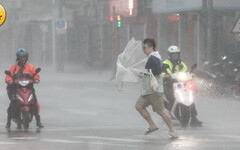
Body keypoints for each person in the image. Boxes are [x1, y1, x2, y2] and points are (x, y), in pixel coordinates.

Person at [135, 38, 178, 138]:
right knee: (139, 106)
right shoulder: (151, 57)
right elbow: (151, 71)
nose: (143, 50)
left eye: (145, 48)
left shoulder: (154, 58)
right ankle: (152, 125)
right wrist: (144, 73)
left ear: (151, 47)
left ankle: (173, 130)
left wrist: (146, 72)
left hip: (154, 91)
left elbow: (157, 71)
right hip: (148, 91)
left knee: (161, 111)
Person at [161, 45, 202, 127]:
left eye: (176, 54)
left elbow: (186, 71)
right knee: (172, 98)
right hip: (169, 84)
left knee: (190, 97)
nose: (175, 56)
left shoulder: (181, 63)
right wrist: (167, 76)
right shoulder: (166, 63)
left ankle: (194, 118)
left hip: (181, 84)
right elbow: (164, 72)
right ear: (170, 55)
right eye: (173, 54)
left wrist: (192, 75)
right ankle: (171, 109)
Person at [5, 48, 44, 129]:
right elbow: (8, 76)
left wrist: (36, 79)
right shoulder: (13, 68)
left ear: (27, 57)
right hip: (16, 89)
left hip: (28, 89)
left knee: (35, 103)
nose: (22, 59)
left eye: (24, 57)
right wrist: (9, 81)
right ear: (17, 58)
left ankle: (38, 121)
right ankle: (8, 122)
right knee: (12, 103)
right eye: (20, 57)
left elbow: (36, 75)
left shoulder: (31, 67)